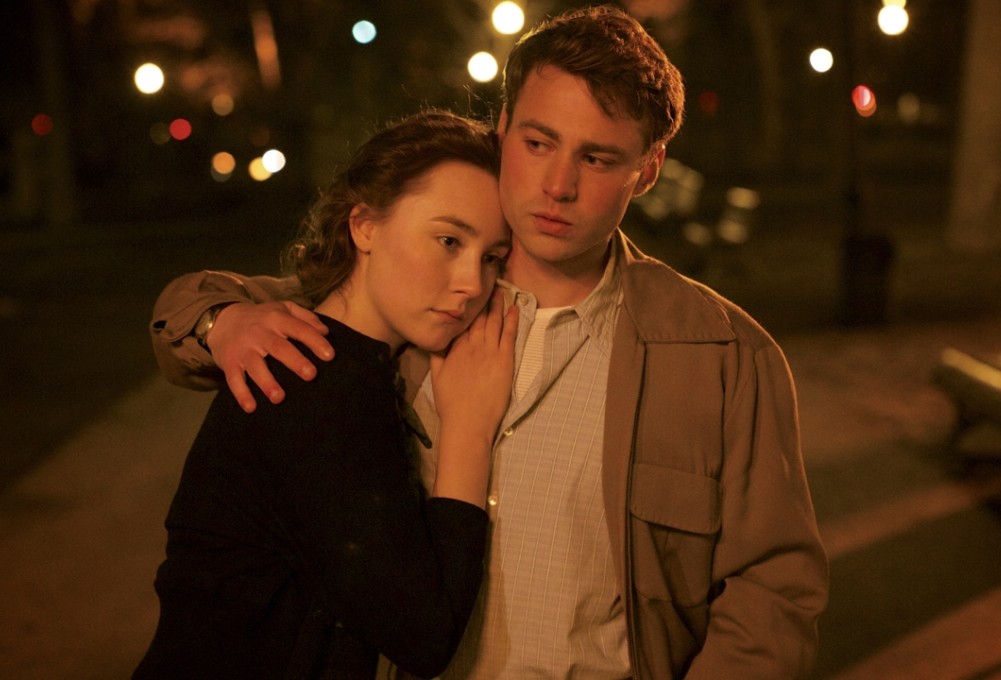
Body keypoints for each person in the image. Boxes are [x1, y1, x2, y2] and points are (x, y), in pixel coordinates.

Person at [149, 6, 829, 678]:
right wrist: (220, 321)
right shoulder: (427, 299)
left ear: (647, 170)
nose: (558, 186)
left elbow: (770, 595)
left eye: (597, 158)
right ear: (502, 128)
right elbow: (240, 312)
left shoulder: (723, 357)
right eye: (538, 143)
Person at [134, 109, 518, 679]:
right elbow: (425, 634)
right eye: (447, 239)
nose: (471, 283)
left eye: (491, 257)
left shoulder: (349, 360)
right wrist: (469, 431)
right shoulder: (311, 375)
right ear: (364, 226)